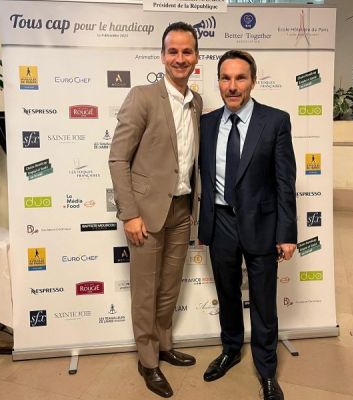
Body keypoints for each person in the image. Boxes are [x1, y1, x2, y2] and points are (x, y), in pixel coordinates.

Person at [109, 22, 202, 398]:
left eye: (186, 51)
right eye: (173, 51)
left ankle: (164, 345)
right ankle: (148, 361)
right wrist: (129, 214)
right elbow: (118, 159)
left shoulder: (196, 102)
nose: (180, 58)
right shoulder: (142, 97)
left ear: (196, 57)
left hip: (181, 209)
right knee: (146, 290)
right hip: (145, 213)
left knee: (169, 287)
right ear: (162, 56)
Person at [198, 50, 297, 400]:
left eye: (240, 78)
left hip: (263, 225)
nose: (232, 86)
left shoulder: (275, 121)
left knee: (264, 303)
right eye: (226, 78)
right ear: (218, 82)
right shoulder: (207, 123)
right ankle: (230, 350)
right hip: (220, 222)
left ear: (253, 81)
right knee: (227, 295)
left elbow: (285, 182)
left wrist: (286, 233)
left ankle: (267, 371)